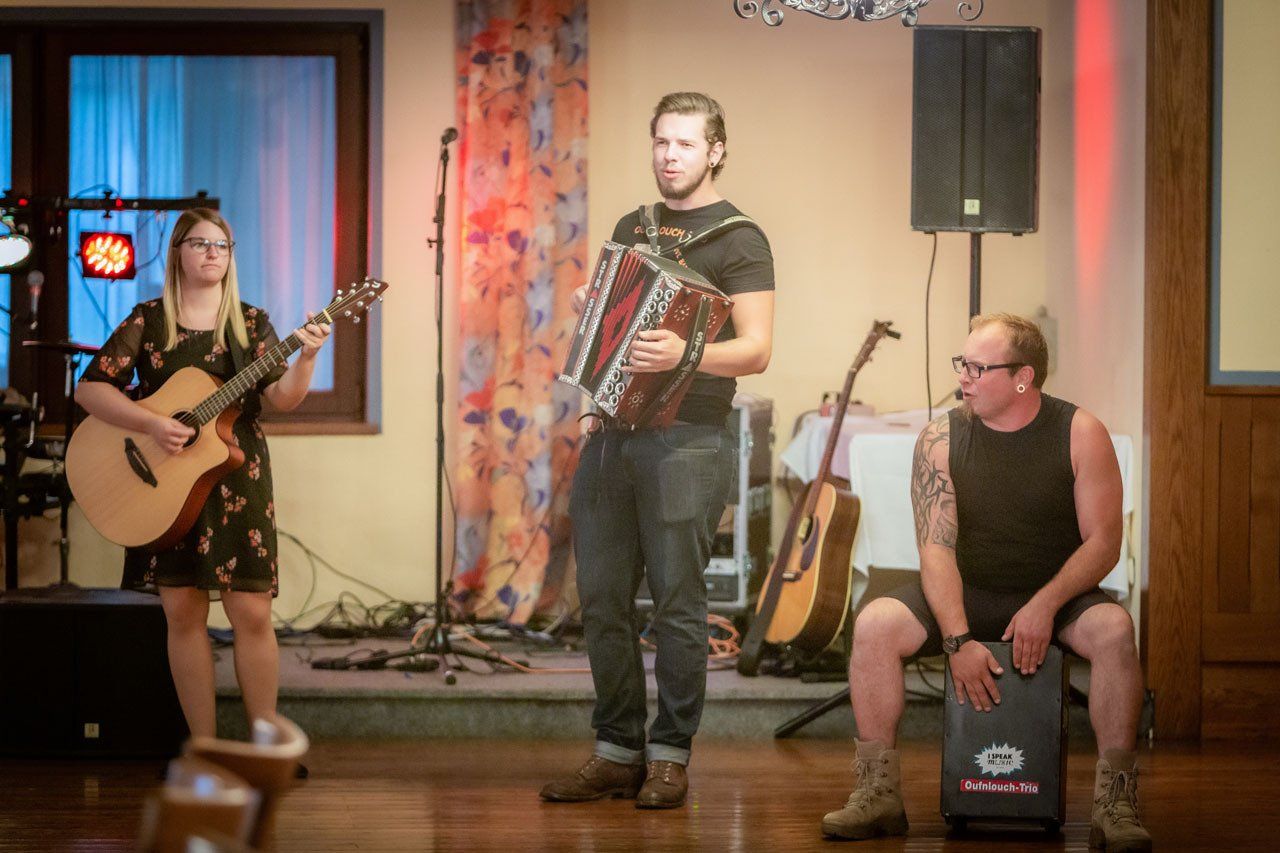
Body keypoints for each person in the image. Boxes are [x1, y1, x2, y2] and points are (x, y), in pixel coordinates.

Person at [820, 313, 1151, 851]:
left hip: (1056, 593)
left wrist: (1045, 605)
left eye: (978, 367)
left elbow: (1103, 543)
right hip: (966, 591)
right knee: (876, 624)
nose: (963, 377)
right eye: (962, 363)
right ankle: (877, 793)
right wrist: (956, 640)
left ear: (1023, 378)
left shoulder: (1080, 432)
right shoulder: (940, 438)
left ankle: (1116, 802)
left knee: (1115, 630)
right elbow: (935, 549)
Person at [540, 92, 775, 809]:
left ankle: (670, 755)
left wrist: (685, 352)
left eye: (685, 144)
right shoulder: (633, 226)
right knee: (601, 599)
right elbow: (610, 334)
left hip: (689, 438)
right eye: (661, 142)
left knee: (677, 602)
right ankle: (617, 750)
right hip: (612, 433)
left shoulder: (741, 239)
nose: (670, 156)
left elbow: (757, 350)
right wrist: (593, 344)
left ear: (716, 151)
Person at [75, 208, 331, 743]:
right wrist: (152, 422)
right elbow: (90, 389)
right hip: (165, 483)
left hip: (236, 478)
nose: (213, 253)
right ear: (178, 253)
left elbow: (282, 398)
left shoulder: (250, 323)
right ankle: (205, 747)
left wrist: (307, 358)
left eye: (222, 245)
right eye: (200, 243)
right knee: (183, 614)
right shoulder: (149, 320)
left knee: (252, 613)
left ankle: (264, 746)